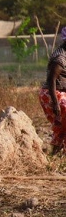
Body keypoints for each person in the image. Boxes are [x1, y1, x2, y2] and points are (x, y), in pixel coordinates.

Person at [39, 27, 66, 155]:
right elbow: (51, 80)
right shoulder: (60, 58)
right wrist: (55, 103)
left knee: (61, 128)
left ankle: (53, 155)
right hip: (52, 94)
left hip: (59, 93)